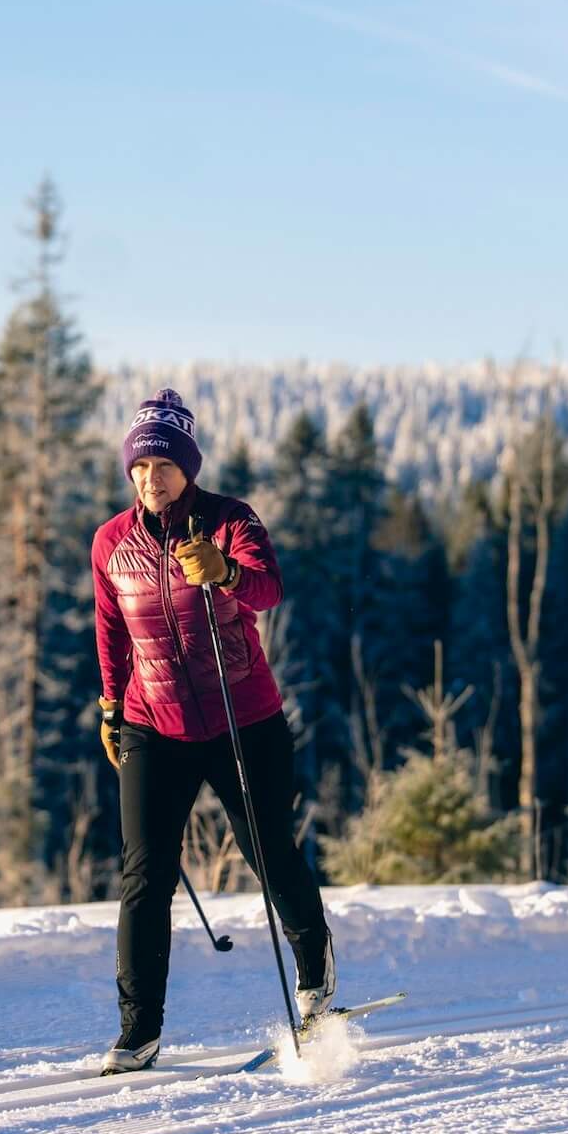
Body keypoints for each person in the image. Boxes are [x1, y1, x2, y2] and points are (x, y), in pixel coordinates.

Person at [90, 387, 334, 1075]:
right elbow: (111, 630)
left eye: (163, 465)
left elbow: (267, 588)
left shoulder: (230, 521)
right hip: (152, 724)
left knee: (268, 853)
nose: (150, 478)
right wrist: (112, 705)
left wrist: (224, 571)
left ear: (188, 466)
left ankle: (314, 967)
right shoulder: (112, 542)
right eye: (139, 468)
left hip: (241, 718)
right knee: (146, 875)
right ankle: (138, 1030)